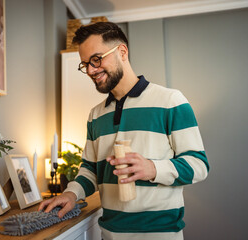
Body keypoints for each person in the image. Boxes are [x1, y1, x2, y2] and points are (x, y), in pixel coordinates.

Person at [39, 21, 209, 240]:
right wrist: (72, 193)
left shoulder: (171, 101)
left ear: (122, 52)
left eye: (96, 59)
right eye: (85, 64)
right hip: (108, 234)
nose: (91, 70)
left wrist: (153, 169)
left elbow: (199, 164)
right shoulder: (95, 115)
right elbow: (90, 169)